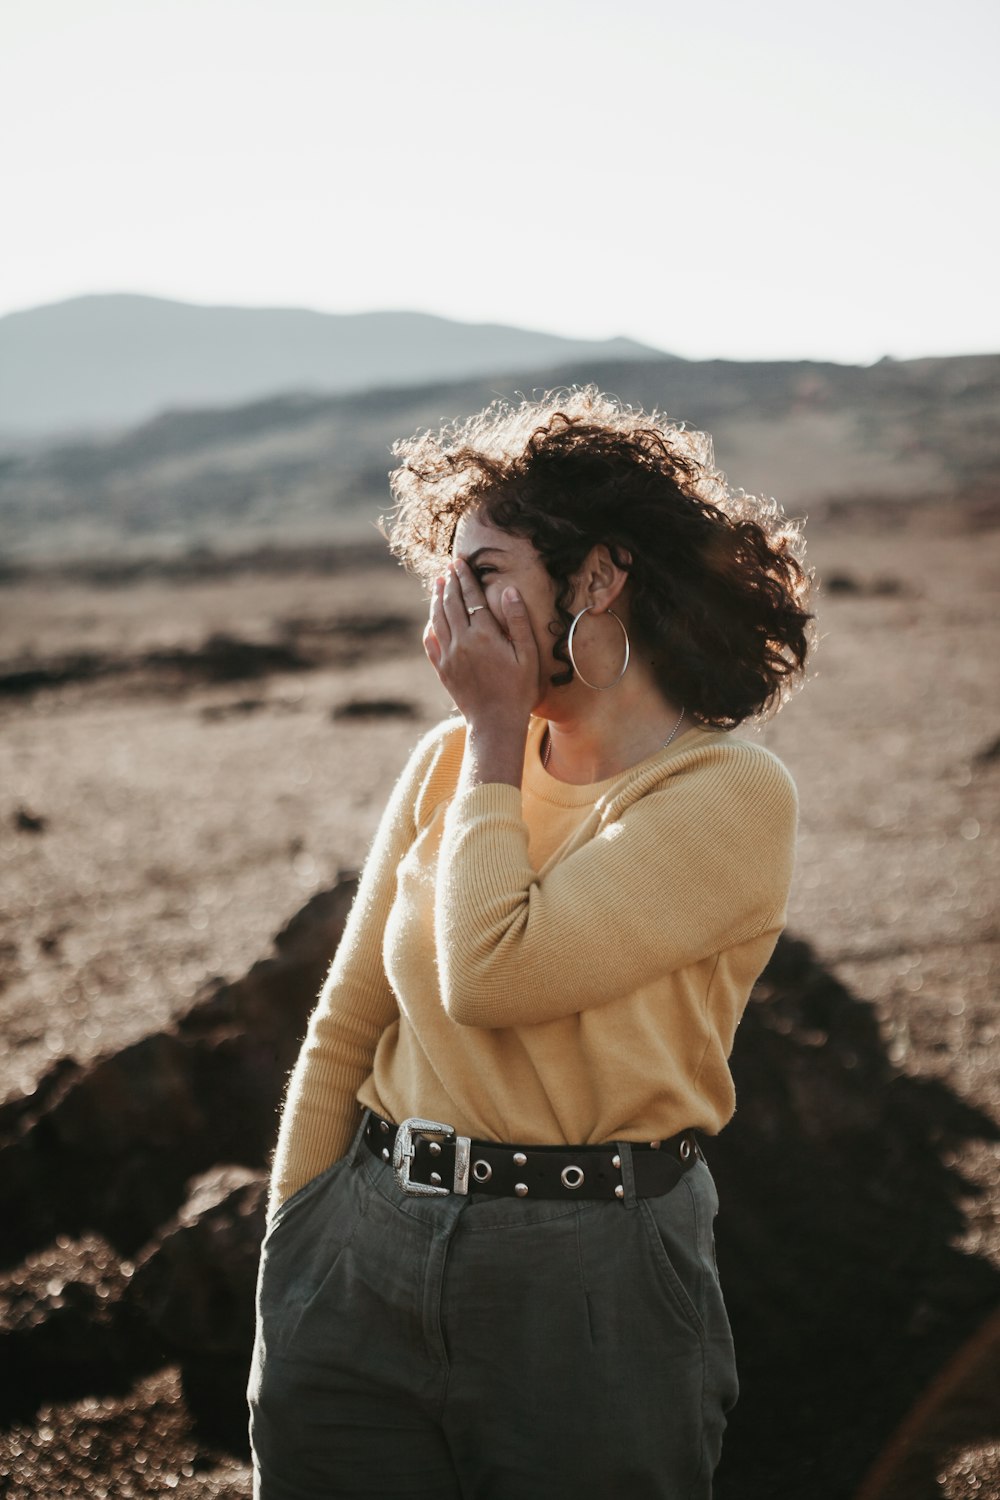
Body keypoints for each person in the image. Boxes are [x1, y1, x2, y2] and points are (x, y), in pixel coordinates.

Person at [247, 384, 813, 1499]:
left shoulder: (728, 792)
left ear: (598, 578)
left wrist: (496, 731)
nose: (448, 620)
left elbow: (492, 974)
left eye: (486, 575)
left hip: (590, 1278)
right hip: (362, 1245)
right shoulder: (446, 766)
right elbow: (349, 1023)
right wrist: (296, 1253)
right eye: (444, 582)